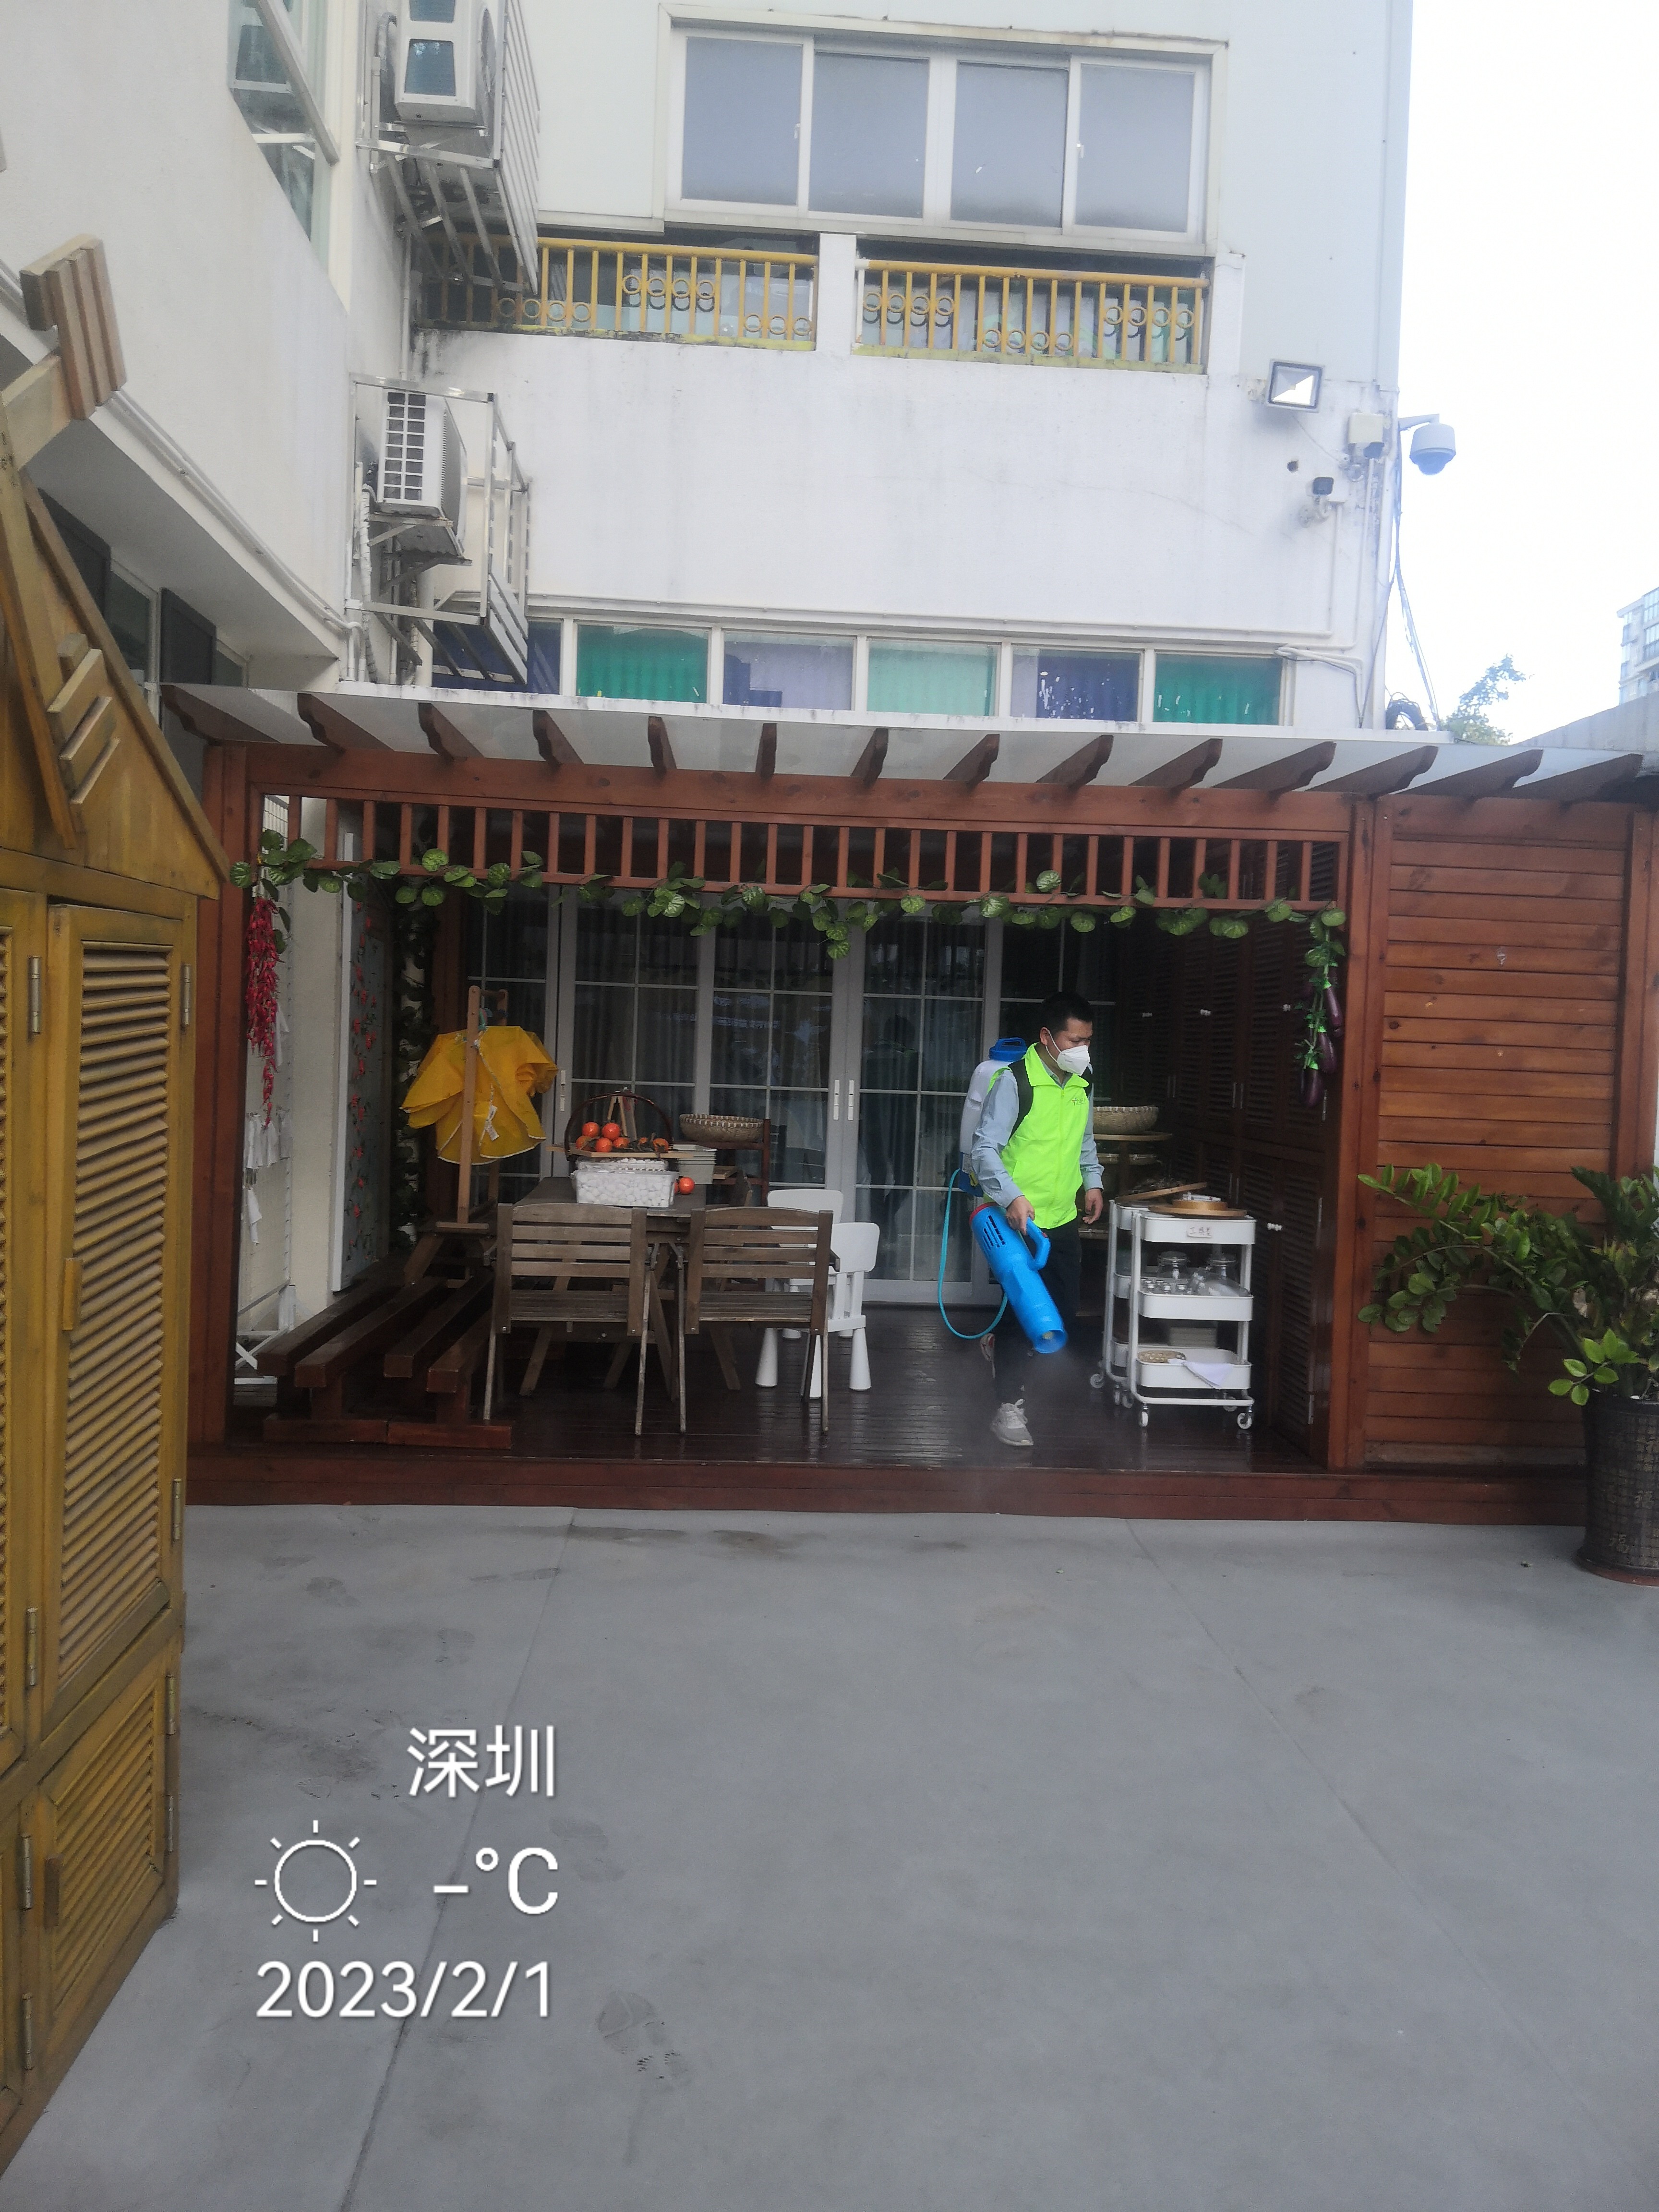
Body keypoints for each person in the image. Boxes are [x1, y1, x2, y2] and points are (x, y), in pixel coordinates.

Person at [969, 989, 1103, 1447]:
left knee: (1062, 1310)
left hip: (1061, 1218)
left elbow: (1085, 1142)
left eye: (1087, 1041)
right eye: (1074, 1041)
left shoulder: (1082, 1082)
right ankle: (1009, 1407)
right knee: (1023, 1309)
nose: (1082, 1050)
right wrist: (1013, 1196)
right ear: (1047, 1037)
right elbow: (984, 1149)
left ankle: (999, 1350)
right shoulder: (1015, 1082)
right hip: (1017, 1220)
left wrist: (1093, 1181)